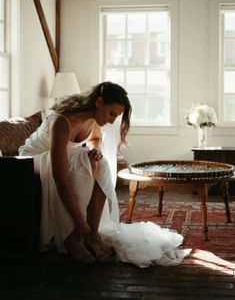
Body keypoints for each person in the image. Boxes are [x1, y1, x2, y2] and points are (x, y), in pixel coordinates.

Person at [19, 81, 191, 267]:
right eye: (111, 114)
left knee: (100, 163)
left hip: (61, 156)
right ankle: (72, 237)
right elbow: (60, 178)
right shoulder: (62, 121)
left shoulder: (94, 118)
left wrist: (95, 150)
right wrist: (79, 220)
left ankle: (92, 234)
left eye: (116, 116)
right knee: (83, 161)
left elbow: (94, 139)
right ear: (99, 102)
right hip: (30, 161)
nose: (112, 120)